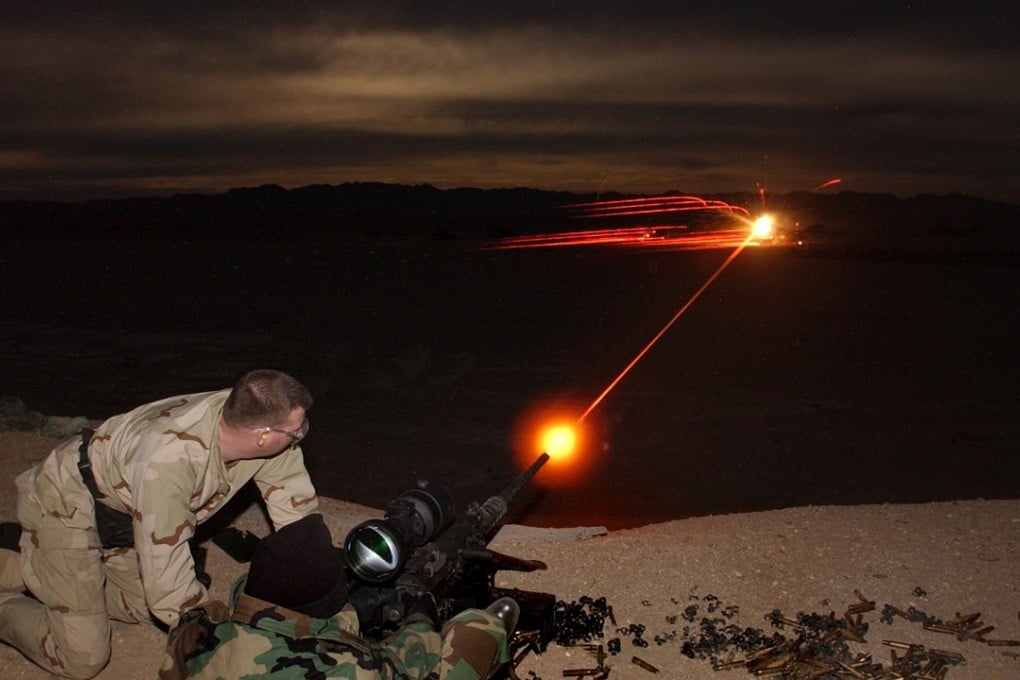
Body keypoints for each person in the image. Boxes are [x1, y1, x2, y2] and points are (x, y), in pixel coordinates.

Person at [0, 369, 319, 679]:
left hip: (118, 517)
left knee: (140, 605)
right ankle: (35, 577)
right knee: (83, 657)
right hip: (65, 506)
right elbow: (169, 593)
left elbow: (297, 517)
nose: (301, 434)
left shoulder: (248, 417)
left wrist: (319, 588)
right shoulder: (167, 463)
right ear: (261, 436)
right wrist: (229, 640)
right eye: (297, 430)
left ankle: (41, 573)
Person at [159, 512, 517, 679]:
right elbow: (407, 660)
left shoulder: (194, 629)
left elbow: (288, 630)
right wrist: (422, 614)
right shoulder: (350, 668)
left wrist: (353, 613)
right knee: (474, 633)